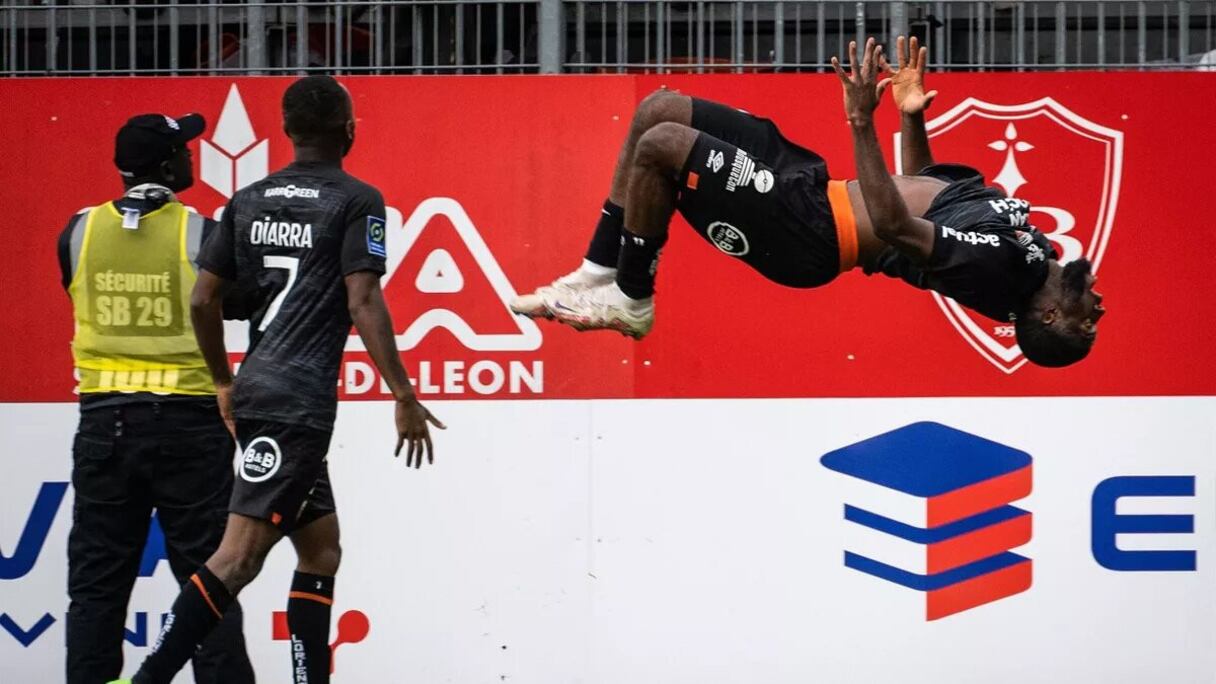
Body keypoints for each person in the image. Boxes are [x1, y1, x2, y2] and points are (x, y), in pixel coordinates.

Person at [116, 75, 445, 684]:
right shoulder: (357, 200)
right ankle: (147, 679)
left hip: (261, 391)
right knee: (237, 559)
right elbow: (364, 299)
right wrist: (403, 392)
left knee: (321, 549)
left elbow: (205, 300)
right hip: (295, 406)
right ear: (348, 130)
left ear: (289, 132)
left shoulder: (246, 199)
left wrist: (223, 380)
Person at [511, 36, 1105, 367]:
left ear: (1049, 317)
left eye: (1085, 329)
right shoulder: (1029, 254)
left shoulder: (1000, 273)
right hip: (810, 189)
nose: (1098, 314)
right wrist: (909, 115)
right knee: (658, 110)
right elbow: (924, 190)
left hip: (807, 232)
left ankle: (632, 298)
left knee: (665, 145)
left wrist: (861, 121)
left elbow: (897, 226)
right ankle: (600, 270)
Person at [58, 113, 254, 683]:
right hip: (190, 425)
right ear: (168, 166)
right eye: (185, 151)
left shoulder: (77, 232)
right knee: (208, 583)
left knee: (96, 587)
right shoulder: (202, 232)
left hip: (103, 428)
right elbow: (236, 302)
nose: (193, 158)